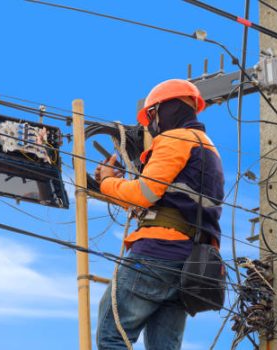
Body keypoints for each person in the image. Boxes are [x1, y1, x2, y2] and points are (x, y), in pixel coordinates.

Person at [94, 79, 225, 350]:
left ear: (167, 109)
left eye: (153, 115)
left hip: (157, 253)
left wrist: (106, 182)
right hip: (189, 266)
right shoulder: (209, 150)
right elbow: (165, 203)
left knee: (112, 335)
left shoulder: (175, 139)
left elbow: (144, 193)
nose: (152, 124)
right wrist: (118, 189)